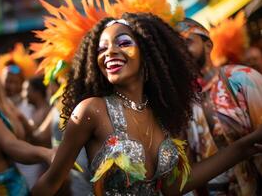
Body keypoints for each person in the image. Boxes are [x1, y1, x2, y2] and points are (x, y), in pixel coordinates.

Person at [31, 12, 262, 196]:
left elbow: (172, 188)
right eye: (102, 48)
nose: (110, 51)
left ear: (149, 53)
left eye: (122, 43)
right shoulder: (91, 111)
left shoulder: (166, 114)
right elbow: (50, 184)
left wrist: (243, 148)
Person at [177, 16, 262, 195]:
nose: (180, 51)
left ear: (208, 45)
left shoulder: (243, 79)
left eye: (186, 42)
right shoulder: (181, 107)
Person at [0, 51, 53, 196]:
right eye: (1, 77)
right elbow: (10, 144)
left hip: (12, 179)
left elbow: (34, 136)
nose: (5, 84)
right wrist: (47, 154)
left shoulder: (3, 104)